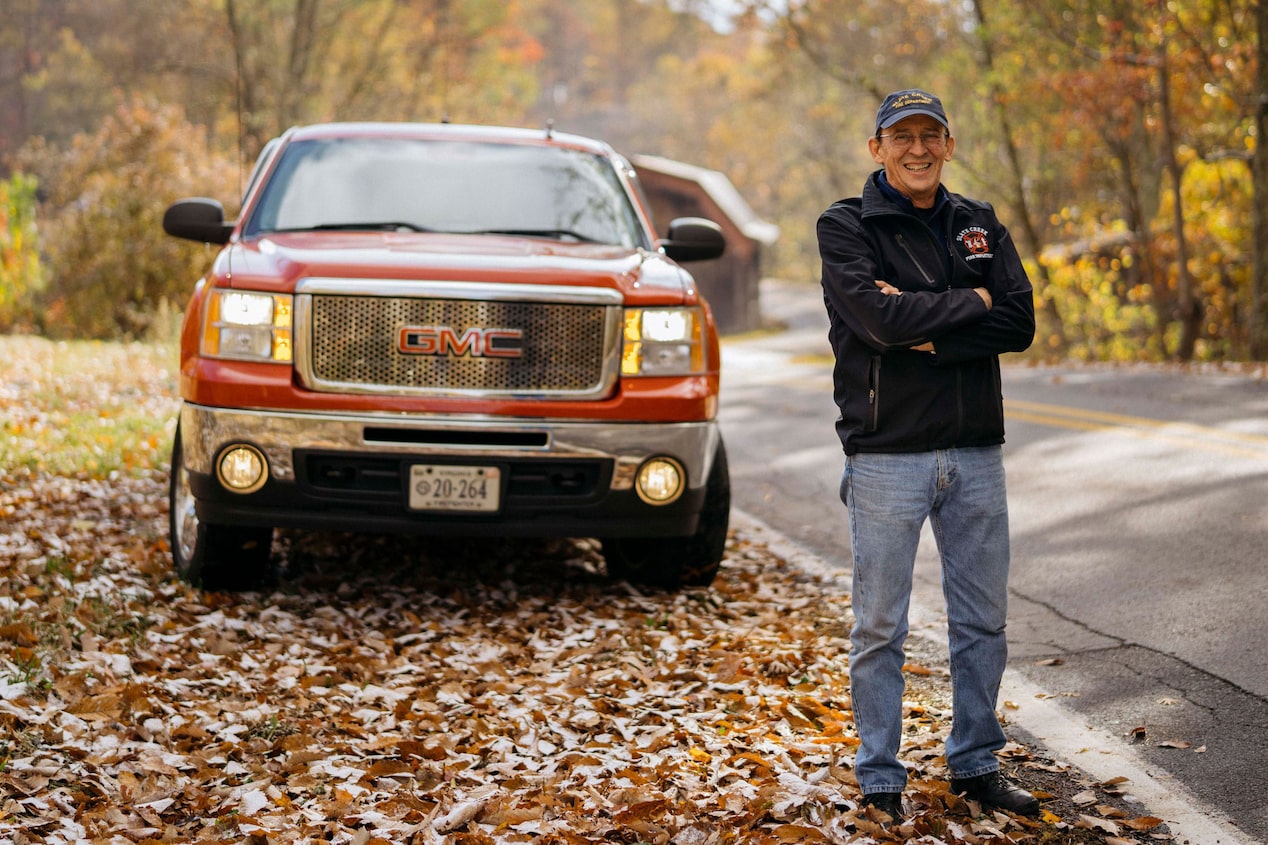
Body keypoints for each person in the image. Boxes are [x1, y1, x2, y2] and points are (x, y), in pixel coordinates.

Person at [816, 89, 1039, 820]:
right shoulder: (845, 225)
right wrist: (971, 300)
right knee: (879, 624)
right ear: (875, 147)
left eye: (930, 135)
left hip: (976, 450)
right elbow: (878, 321)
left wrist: (936, 326)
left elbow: (1020, 318)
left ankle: (975, 763)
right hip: (887, 454)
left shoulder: (977, 221)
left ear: (949, 143)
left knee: (983, 621)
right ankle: (880, 773)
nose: (917, 148)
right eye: (901, 135)